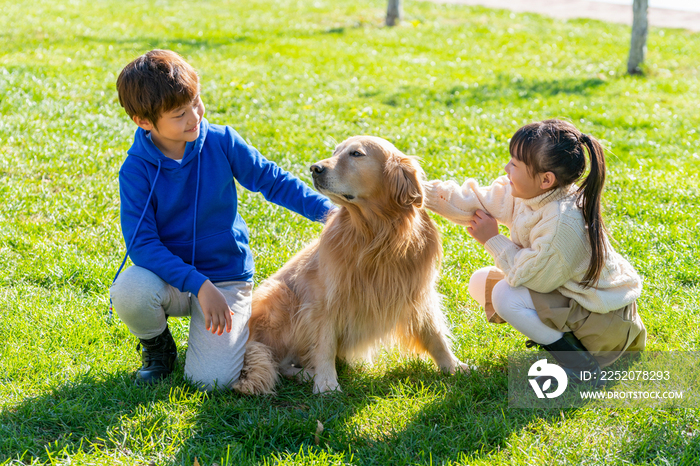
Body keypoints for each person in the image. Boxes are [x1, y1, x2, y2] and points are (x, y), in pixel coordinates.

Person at [110, 50, 335, 390]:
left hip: (226, 279)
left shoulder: (222, 141)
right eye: (179, 114)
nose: (194, 117)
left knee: (211, 382)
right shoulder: (135, 170)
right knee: (130, 290)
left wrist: (333, 215)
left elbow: (273, 181)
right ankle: (158, 346)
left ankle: (209, 343)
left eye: (196, 103)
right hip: (172, 280)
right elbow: (142, 245)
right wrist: (198, 284)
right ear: (144, 121)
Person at [423, 119, 646, 383]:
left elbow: (532, 277)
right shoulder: (526, 194)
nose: (506, 169)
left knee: (505, 295)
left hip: (606, 328)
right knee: (481, 281)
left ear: (545, 179)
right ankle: (561, 341)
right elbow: (472, 201)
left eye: (515, 164)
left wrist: (492, 239)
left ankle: (581, 365)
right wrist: (418, 190)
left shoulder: (562, 222)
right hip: (575, 300)